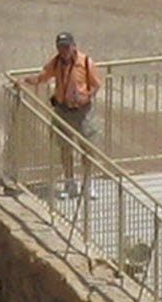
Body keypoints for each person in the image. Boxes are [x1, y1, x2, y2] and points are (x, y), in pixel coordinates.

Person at [20, 30, 102, 195]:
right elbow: (43, 77)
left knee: (87, 147)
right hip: (63, 109)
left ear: (74, 46)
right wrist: (25, 81)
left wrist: (86, 97)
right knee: (65, 147)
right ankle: (69, 183)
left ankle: (88, 183)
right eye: (60, 47)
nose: (63, 50)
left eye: (66, 47)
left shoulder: (86, 62)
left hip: (82, 111)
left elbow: (95, 85)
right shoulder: (56, 62)